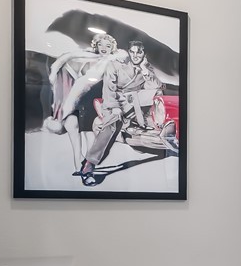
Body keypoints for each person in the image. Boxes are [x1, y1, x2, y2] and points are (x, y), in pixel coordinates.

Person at [78, 40, 164, 186]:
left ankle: (147, 123)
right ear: (129, 52)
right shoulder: (116, 65)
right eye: (133, 52)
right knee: (112, 125)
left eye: (139, 52)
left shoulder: (146, 68)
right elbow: (109, 90)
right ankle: (89, 165)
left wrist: (144, 69)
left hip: (135, 105)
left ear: (144, 54)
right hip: (115, 103)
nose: (136, 55)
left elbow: (155, 88)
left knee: (157, 92)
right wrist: (114, 107)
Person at [42, 33, 125, 174]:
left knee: (89, 137)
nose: (104, 48)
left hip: (95, 104)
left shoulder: (115, 62)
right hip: (79, 103)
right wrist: (54, 71)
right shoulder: (87, 57)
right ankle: (77, 167)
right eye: (101, 44)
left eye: (108, 46)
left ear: (113, 48)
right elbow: (68, 65)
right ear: (96, 46)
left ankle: (86, 166)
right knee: (74, 132)